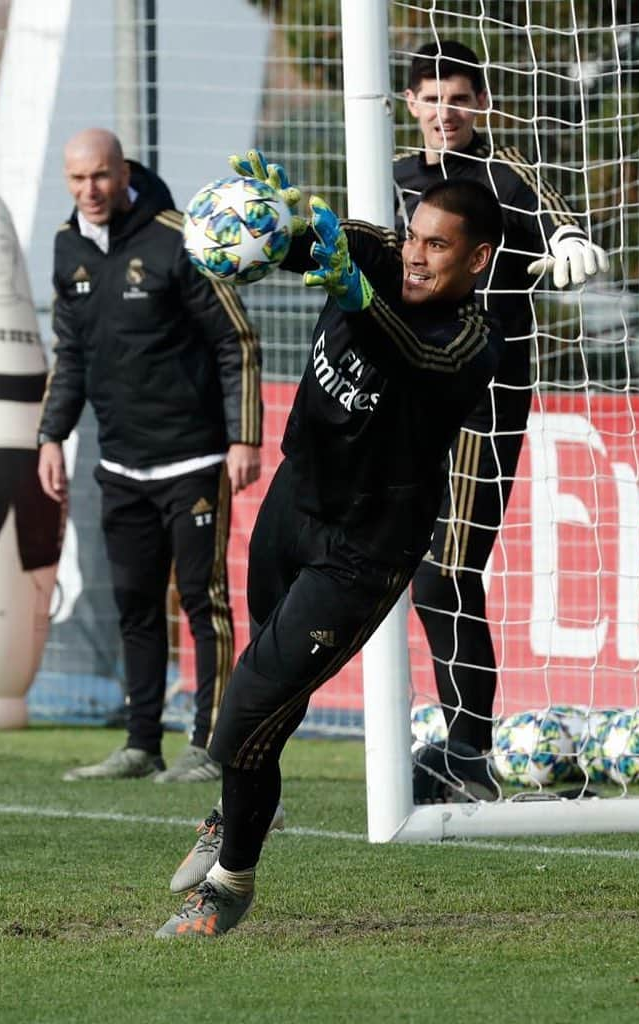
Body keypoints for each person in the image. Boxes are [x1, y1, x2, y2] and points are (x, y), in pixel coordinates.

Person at [155, 150, 505, 938]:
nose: (415, 254)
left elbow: (410, 355)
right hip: (294, 500)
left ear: (478, 258)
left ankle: (230, 881)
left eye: (439, 246)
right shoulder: (376, 250)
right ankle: (241, 812)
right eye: (415, 237)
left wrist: (352, 290)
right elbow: (309, 242)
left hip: (365, 549)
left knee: (242, 715)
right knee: (263, 691)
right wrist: (270, 222)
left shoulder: (473, 341)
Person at [395, 41, 608, 767]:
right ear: (410, 105)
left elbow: (557, 221)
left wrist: (571, 240)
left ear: (478, 104)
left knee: (446, 574)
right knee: (411, 570)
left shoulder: (502, 174)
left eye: (458, 97)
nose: (444, 111)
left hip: (483, 397)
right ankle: (458, 749)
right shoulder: (389, 178)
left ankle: (467, 752)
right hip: (405, 398)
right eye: (430, 98)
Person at [38, 128, 263, 784]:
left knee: (203, 599)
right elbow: (70, 353)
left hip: (191, 460)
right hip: (120, 465)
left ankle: (211, 746)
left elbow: (237, 338)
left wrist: (243, 436)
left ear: (123, 170)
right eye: (78, 180)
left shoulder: (177, 237)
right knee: (134, 603)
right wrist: (50, 435)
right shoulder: (66, 246)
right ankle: (141, 744)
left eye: (101, 177)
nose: (91, 192)